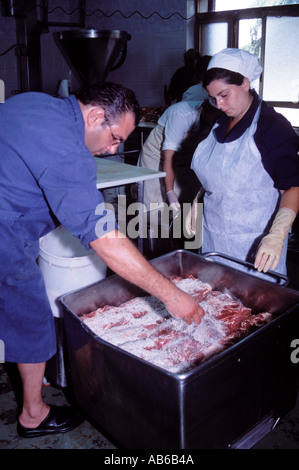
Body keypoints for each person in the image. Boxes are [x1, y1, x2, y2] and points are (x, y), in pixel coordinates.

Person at [0, 82, 204, 438]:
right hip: (5, 237)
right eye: (113, 138)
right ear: (95, 115)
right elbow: (103, 238)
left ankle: (30, 376)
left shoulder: (33, 102)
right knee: (31, 317)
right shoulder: (68, 151)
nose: (112, 149)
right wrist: (171, 295)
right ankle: (33, 415)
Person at [186, 48, 299, 278]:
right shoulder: (217, 124)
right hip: (214, 240)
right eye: (213, 97)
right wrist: (198, 200)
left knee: (256, 311)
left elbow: (293, 186)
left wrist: (277, 234)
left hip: (255, 248)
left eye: (224, 95)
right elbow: (221, 171)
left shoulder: (272, 126)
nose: (219, 104)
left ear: (245, 83)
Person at [139, 100, 204, 212]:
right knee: (154, 202)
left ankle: (175, 226)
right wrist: (170, 192)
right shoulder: (182, 114)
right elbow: (169, 159)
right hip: (156, 154)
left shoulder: (220, 117)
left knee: (182, 198)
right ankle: (153, 227)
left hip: (181, 157)